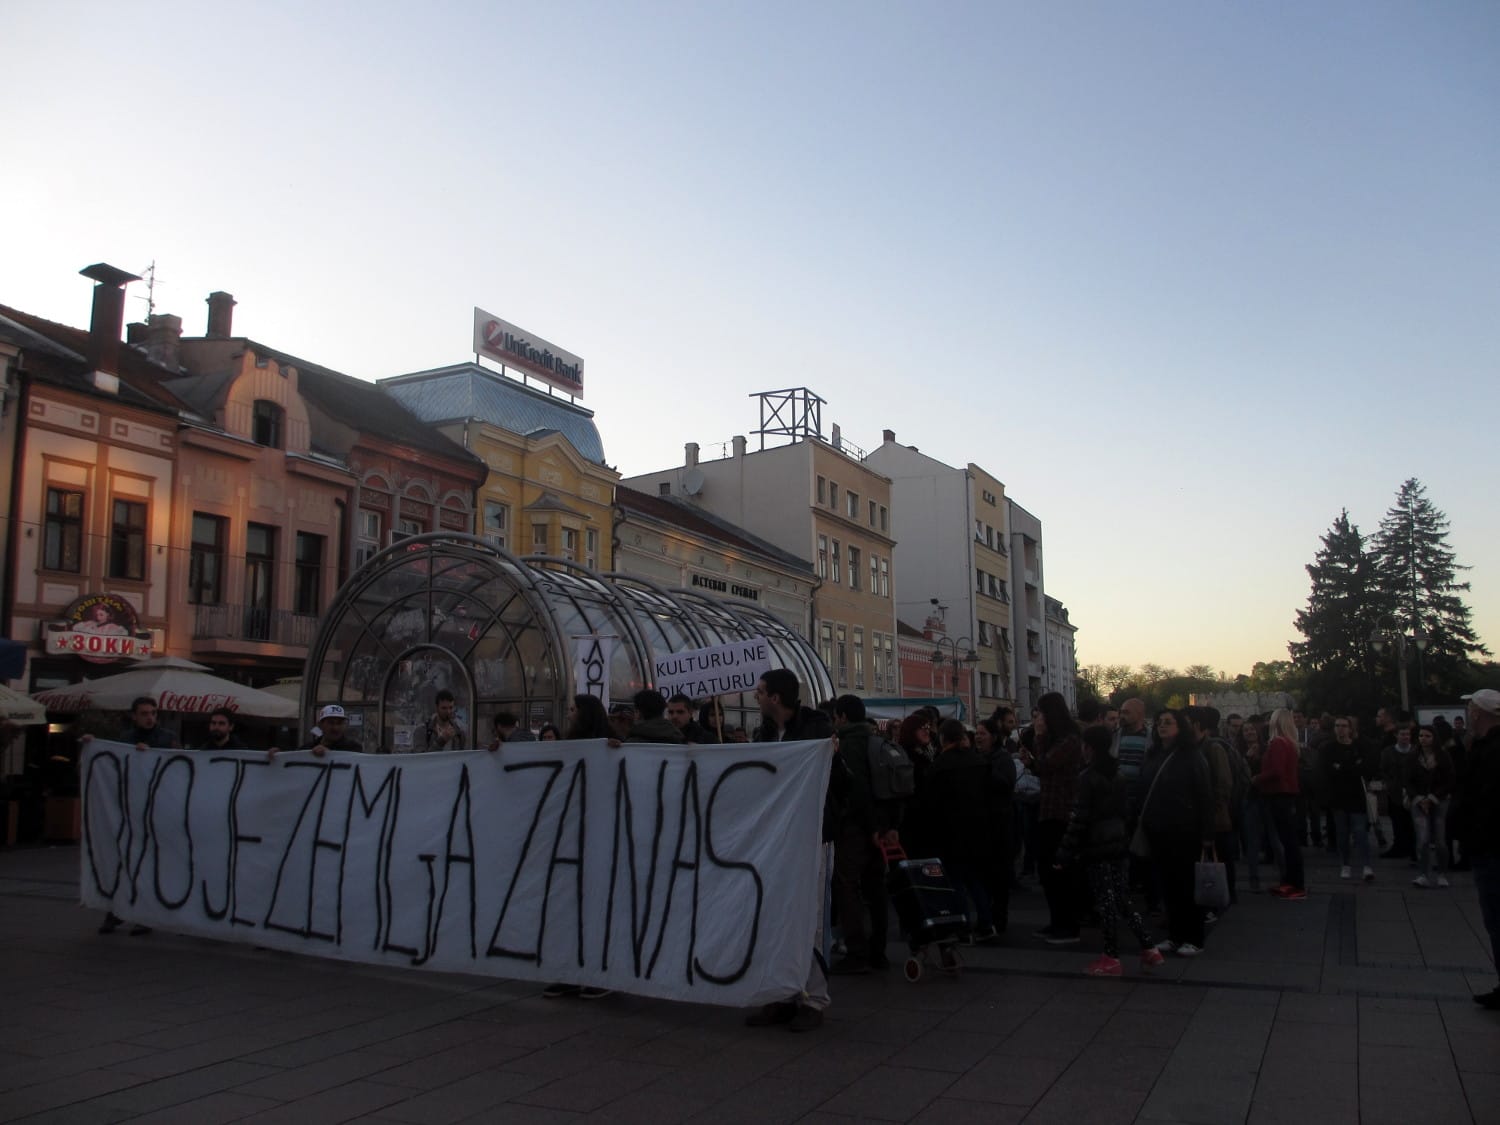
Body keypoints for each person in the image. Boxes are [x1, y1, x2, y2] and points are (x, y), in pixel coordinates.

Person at [744, 668, 837, 1033]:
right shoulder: (766, 733)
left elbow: (839, 782)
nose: (756, 696)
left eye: (760, 691)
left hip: (813, 837)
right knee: (776, 916)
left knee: (810, 919)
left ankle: (814, 999)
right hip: (777, 839)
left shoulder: (816, 730)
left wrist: (832, 754)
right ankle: (783, 993)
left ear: (776, 698)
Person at [1056, 724, 1164, 976]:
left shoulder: (1087, 778)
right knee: (1122, 898)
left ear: (1089, 748)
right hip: (1117, 843)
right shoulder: (1118, 774)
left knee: (1106, 903)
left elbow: (1080, 818)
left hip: (1097, 846)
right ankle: (1149, 947)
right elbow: (1124, 810)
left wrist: (1064, 852)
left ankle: (1111, 956)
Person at [828, 695, 898, 974]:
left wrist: (869, 829)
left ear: (842, 717)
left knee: (849, 887)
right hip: (880, 826)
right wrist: (887, 826)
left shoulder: (847, 744)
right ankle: (878, 952)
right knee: (876, 888)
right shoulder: (877, 741)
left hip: (856, 828)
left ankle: (857, 952)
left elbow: (856, 791)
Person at [1138, 709, 1215, 955]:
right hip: (1159, 829)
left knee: (1186, 884)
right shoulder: (1154, 755)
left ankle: (1193, 937)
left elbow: (1205, 796)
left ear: (1180, 727)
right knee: (1168, 884)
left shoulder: (1191, 756)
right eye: (1159, 722)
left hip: (1185, 830)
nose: (1162, 726)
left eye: (1168, 722)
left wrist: (1207, 834)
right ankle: (1174, 934)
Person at [923, 718, 999, 944]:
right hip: (979, 829)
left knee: (955, 881)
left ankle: (962, 925)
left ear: (944, 739)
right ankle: (986, 923)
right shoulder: (979, 762)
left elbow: (931, 804)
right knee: (975, 879)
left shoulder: (940, 765)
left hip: (951, 832)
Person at [1454, 690, 1500, 1009]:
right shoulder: (1484, 747)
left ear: (1478, 713)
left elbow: (1484, 799)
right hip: (1488, 842)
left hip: (1491, 845)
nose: (1468, 712)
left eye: (1470, 707)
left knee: (1496, 917)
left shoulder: (1490, 750)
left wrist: (1473, 836)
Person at [1029, 691, 1084, 945]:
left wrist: (1039, 739)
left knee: (1060, 871)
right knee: (1047, 870)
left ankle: (1068, 925)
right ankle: (1057, 921)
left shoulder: (1069, 741)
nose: (1038, 717)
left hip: (1061, 813)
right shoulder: (1060, 739)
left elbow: (1047, 765)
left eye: (1040, 712)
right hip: (1050, 810)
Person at [1187, 706, 1237, 909]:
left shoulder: (1213, 748)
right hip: (1197, 816)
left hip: (1214, 817)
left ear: (1196, 725)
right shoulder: (1190, 749)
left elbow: (1224, 783)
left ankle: (1224, 898)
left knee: (1219, 860)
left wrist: (1215, 810)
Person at [1255, 708, 1305, 900]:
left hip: (1279, 794)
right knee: (1289, 841)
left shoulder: (1278, 743)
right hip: (1286, 793)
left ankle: (1294, 883)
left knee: (1288, 841)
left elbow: (1276, 771)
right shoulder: (1290, 743)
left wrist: (1257, 779)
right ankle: (1291, 881)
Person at [974, 716, 1015, 934]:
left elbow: (1006, 785)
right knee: (984, 875)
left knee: (999, 876)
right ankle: (986, 918)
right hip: (982, 824)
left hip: (999, 823)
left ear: (993, 737)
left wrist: (988, 768)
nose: (979, 738)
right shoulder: (976, 757)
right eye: (977, 733)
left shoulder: (1002, 758)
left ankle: (999, 919)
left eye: (983, 734)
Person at [1322, 716, 1375, 881]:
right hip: (1338, 797)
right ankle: (1345, 864)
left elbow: (1364, 768)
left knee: (1360, 832)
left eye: (1344, 726)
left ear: (1350, 729)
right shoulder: (1328, 748)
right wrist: (1349, 767)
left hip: (1356, 796)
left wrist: (1342, 767)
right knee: (1342, 833)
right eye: (1337, 726)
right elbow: (1328, 770)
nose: (1340, 729)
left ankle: (1366, 865)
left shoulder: (1359, 747)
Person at [1408, 726, 1456, 888]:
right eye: (1421, 735)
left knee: (1441, 840)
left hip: (1439, 800)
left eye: (1427, 736)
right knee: (1422, 839)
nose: (1423, 739)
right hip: (1418, 799)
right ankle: (1423, 874)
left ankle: (1442, 872)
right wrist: (1419, 797)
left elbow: (1449, 780)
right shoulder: (1413, 756)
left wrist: (1433, 797)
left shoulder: (1443, 756)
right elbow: (1407, 779)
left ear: (1434, 738)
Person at [1381, 723, 1418, 860]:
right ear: (1396, 735)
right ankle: (1399, 847)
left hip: (1412, 792)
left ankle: (1413, 849)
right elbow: (1383, 770)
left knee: (1412, 823)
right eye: (1402, 734)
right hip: (1395, 792)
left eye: (1407, 734)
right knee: (1397, 822)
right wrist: (1390, 784)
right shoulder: (1388, 752)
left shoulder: (1415, 751)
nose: (1405, 737)